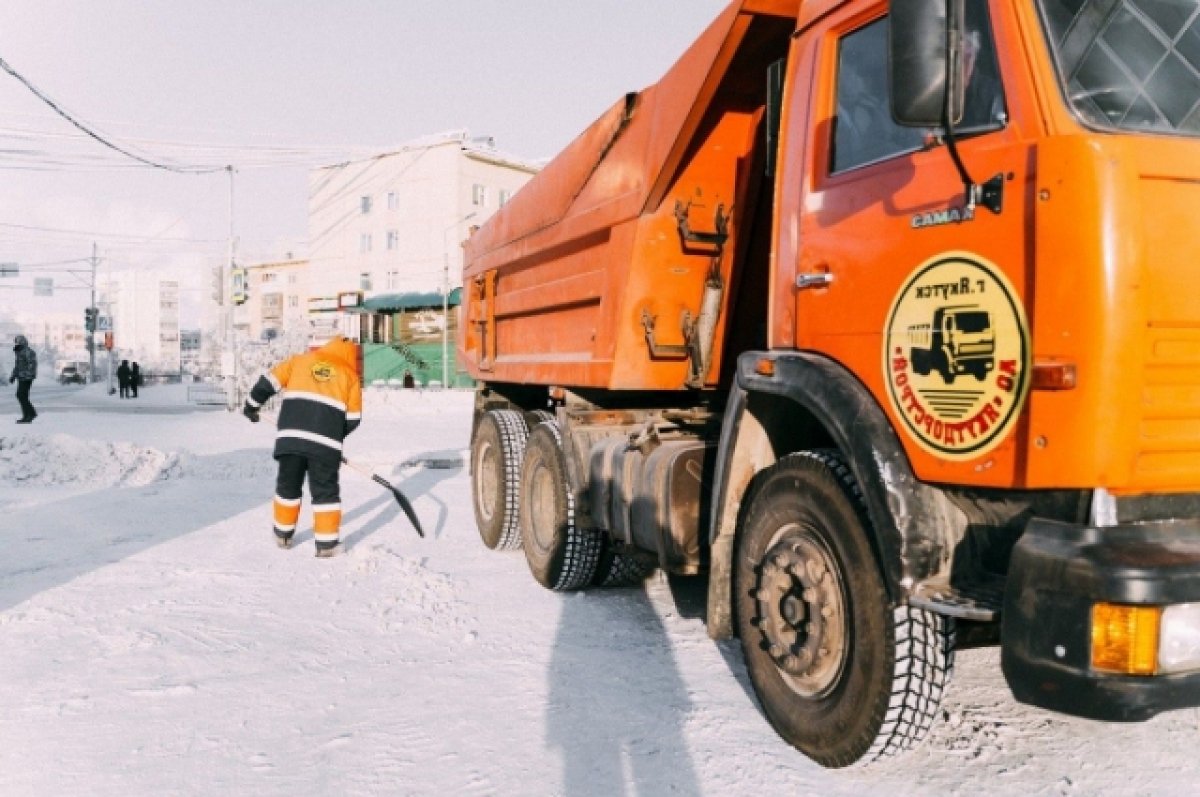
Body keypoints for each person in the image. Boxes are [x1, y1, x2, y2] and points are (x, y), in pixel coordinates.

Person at [243, 335, 362, 558]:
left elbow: (268, 382)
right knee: (325, 492)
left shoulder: (299, 361)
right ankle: (326, 546)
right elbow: (354, 418)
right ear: (351, 356)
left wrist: (251, 406)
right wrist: (332, 434)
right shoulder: (350, 376)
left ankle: (282, 535)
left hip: (291, 438)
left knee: (288, 485)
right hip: (325, 447)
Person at [9, 334, 37, 423]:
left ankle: (29, 415)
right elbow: (17, 366)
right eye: (16, 342)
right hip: (21, 377)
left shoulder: (28, 352)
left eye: (18, 342)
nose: (16, 344)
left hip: (27, 377)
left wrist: (26, 374)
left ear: (22, 342)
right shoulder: (19, 352)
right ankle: (29, 414)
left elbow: (32, 365)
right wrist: (13, 376)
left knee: (21, 395)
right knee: (22, 396)